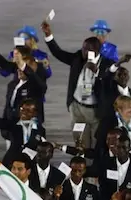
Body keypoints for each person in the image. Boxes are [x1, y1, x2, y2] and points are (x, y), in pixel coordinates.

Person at [41, 20, 112, 152]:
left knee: (97, 144)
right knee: (80, 143)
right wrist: (48, 35)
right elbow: (59, 54)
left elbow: (110, 84)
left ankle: (94, 169)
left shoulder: (107, 64)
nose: (83, 51)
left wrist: (97, 72)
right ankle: (82, 168)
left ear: (95, 51)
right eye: (83, 48)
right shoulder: (78, 58)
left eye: (86, 49)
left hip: (96, 111)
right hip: (77, 108)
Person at [0, 34, 47, 124]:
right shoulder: (12, 85)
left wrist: (22, 65)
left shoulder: (38, 72)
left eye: (21, 63)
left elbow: (41, 86)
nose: (19, 70)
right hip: (12, 127)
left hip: (32, 126)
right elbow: (5, 64)